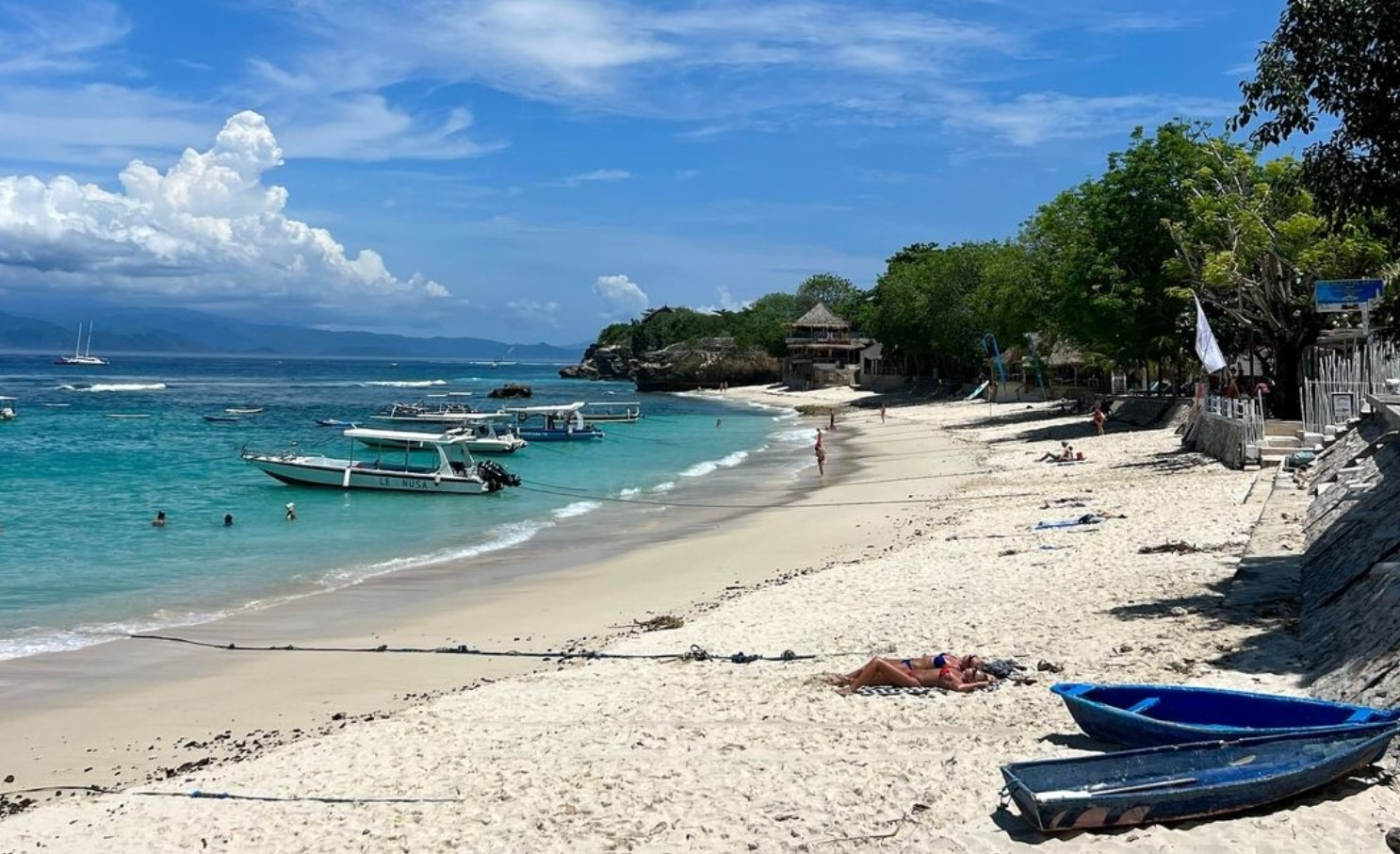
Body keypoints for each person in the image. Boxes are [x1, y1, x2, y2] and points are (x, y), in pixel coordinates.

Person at [829, 654, 996, 695]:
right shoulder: (956, 669)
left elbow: (960, 688)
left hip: (913, 680)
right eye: (973, 668)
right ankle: (843, 680)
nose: (971, 670)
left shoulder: (957, 679)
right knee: (871, 674)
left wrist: (979, 684)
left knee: (877, 663)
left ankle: (851, 689)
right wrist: (987, 676)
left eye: (973, 672)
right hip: (911, 672)